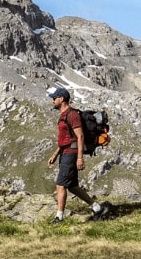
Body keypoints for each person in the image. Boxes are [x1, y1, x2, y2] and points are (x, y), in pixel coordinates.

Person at [46, 87, 110, 222]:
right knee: (72, 186)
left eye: (54, 98)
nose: (53, 100)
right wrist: (55, 154)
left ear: (61, 99)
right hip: (65, 152)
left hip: (71, 153)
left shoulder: (72, 115)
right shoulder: (63, 116)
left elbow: (79, 137)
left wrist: (80, 158)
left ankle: (59, 217)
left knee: (60, 184)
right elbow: (65, 139)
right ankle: (97, 207)